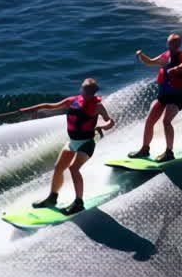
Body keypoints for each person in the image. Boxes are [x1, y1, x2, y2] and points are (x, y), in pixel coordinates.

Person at [22, 79, 116, 215]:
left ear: (91, 92)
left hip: (86, 143)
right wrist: (36, 108)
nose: (83, 91)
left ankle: (79, 202)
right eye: (84, 88)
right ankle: (52, 198)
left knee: (74, 168)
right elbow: (52, 106)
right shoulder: (73, 101)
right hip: (72, 142)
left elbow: (109, 121)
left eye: (85, 89)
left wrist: (103, 125)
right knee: (59, 168)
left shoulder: (98, 106)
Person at [129, 34, 182, 162]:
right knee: (149, 121)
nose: (171, 46)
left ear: (178, 45)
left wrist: (177, 68)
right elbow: (151, 62)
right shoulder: (165, 55)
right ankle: (144, 149)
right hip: (163, 96)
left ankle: (169, 152)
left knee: (166, 121)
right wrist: (142, 55)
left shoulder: (181, 56)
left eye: (173, 44)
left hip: (175, 97)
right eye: (169, 43)